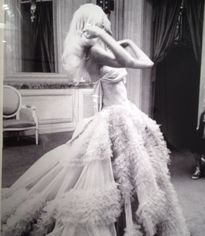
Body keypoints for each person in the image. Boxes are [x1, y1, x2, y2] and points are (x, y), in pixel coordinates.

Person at [1, 4, 190, 236]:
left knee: (128, 173)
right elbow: (130, 63)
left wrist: (129, 41)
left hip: (126, 113)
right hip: (112, 118)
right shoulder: (92, 50)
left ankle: (126, 218)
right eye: (99, 22)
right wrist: (104, 37)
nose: (104, 25)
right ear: (89, 25)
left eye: (103, 24)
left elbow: (147, 62)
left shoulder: (102, 49)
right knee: (105, 173)